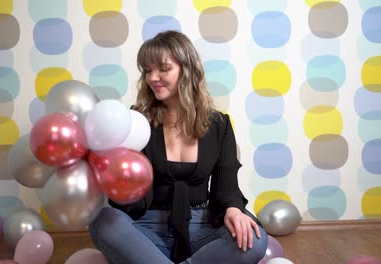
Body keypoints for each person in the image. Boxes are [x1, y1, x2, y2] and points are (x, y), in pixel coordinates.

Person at [88, 30, 268, 264]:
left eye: (163, 68)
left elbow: (227, 186)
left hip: (204, 225)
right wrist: (117, 181)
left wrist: (234, 210)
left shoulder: (219, 124)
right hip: (146, 228)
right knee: (103, 220)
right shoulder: (136, 121)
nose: (153, 77)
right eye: (147, 70)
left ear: (188, 69)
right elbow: (133, 202)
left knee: (257, 238)